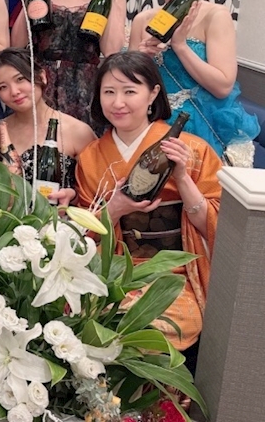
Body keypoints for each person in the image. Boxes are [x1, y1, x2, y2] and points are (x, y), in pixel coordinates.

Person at [75, 52, 221, 366]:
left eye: (130, 91)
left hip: (175, 275)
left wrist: (182, 177)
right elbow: (82, 234)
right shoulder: (90, 157)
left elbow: (217, 227)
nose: (118, 102)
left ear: (153, 93)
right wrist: (114, 209)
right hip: (113, 272)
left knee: (149, 328)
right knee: (86, 323)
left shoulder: (194, 150)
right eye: (109, 92)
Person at [129, 0, 259, 167]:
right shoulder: (143, 20)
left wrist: (180, 46)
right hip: (150, 120)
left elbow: (223, 86)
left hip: (199, 122)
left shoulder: (215, 16)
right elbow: (129, 84)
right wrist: (141, 60)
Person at [11, 0, 126, 134]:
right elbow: (17, 44)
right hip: (42, 80)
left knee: (82, 138)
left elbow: (111, 50)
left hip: (84, 85)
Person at [0, 47, 96, 204]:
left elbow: (97, 191)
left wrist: (72, 196)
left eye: (20, 79)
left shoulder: (78, 131)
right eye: (3, 87)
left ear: (42, 76)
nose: (14, 91)